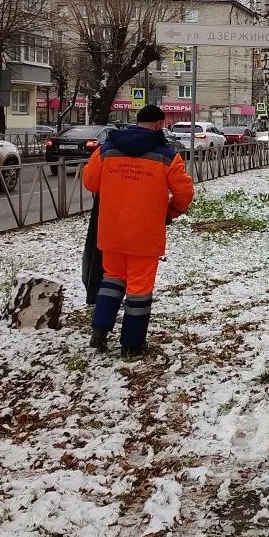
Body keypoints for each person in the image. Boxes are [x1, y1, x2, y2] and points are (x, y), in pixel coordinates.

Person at [83, 104, 194, 357]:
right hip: (145, 234)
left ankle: (99, 331)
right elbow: (184, 193)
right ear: (158, 124)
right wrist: (171, 212)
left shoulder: (108, 148)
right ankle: (132, 345)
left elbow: (90, 181)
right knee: (139, 288)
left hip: (112, 231)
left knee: (111, 279)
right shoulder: (166, 155)